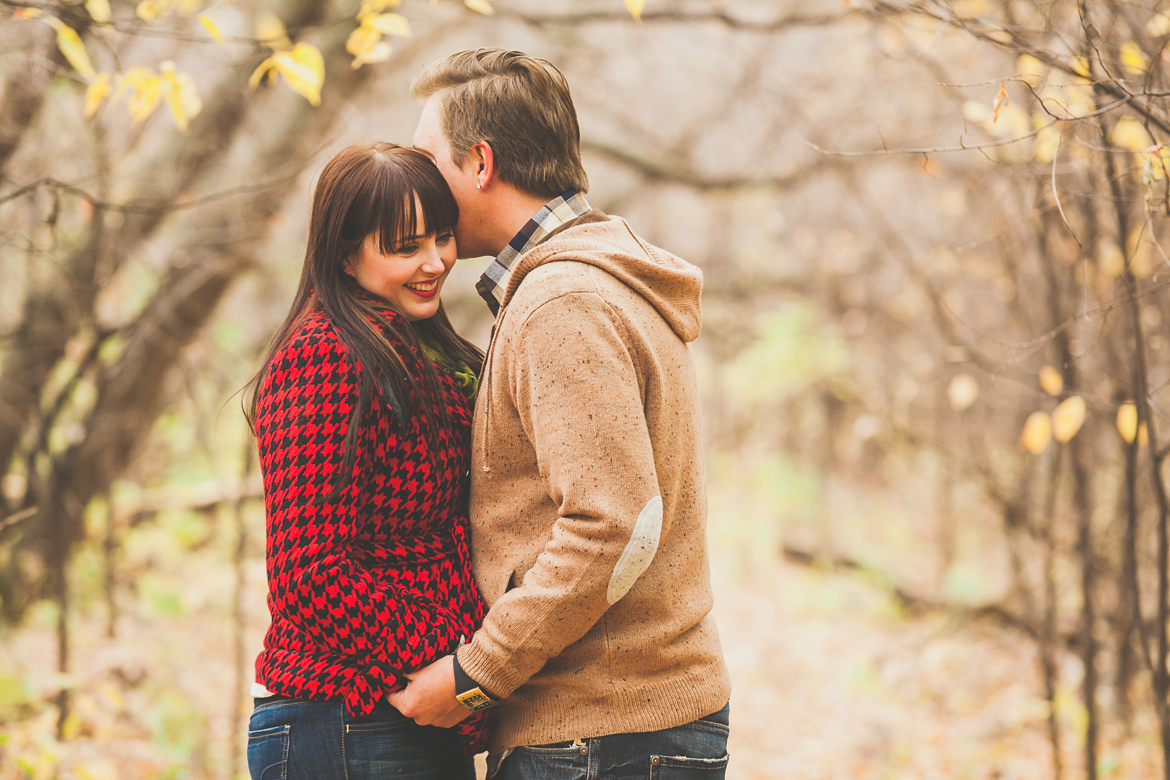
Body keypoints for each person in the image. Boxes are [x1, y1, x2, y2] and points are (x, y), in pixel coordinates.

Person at [389, 48, 733, 779]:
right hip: (621, 729)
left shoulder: (563, 301)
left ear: (479, 164)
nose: (416, 182)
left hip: (601, 736)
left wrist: (475, 672)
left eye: (427, 158)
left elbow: (613, 522)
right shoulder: (589, 280)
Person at [243, 142, 490, 780]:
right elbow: (308, 571)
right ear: (346, 253)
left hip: (395, 711)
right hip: (344, 714)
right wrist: (458, 662)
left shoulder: (411, 346)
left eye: (442, 236)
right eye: (405, 247)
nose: (435, 262)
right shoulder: (323, 354)